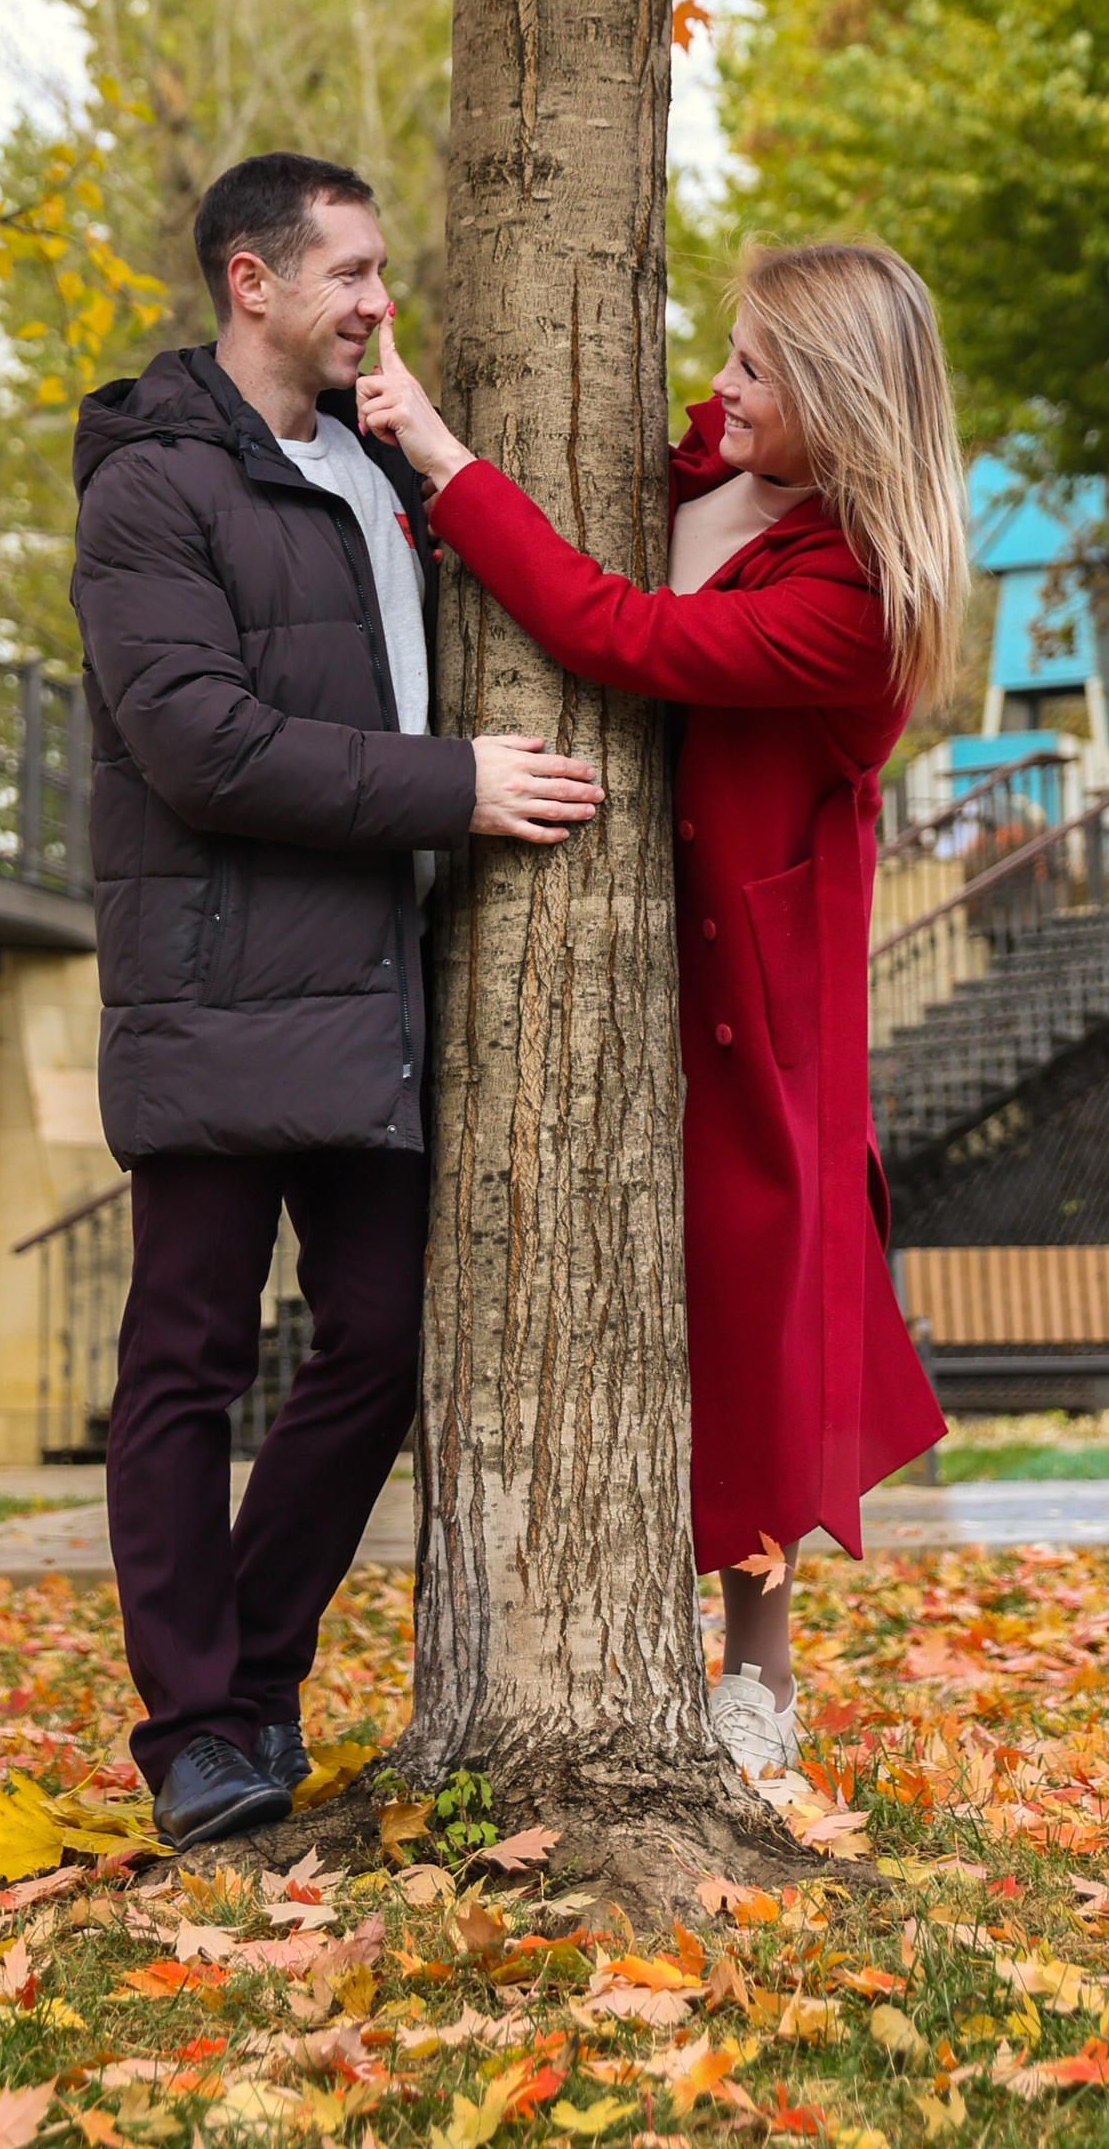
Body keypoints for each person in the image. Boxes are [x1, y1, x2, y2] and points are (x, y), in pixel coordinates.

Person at [359, 239, 963, 1782]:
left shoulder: (856, 598)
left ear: (836, 399)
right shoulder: (706, 465)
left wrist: (439, 453)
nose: (719, 387)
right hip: (635, 935)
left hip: (756, 987)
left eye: (757, 367)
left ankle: (757, 1670)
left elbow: (618, 636)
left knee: (759, 1313)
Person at [70, 152, 603, 1849]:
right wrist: (450, 787)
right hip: (221, 980)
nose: (381, 302)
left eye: (381, 275)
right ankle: (195, 1733)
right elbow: (199, 745)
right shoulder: (151, 489)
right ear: (253, 281)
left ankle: (259, 1665)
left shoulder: (377, 469)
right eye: (353, 273)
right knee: (186, 1358)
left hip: (372, 985)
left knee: (380, 1339)